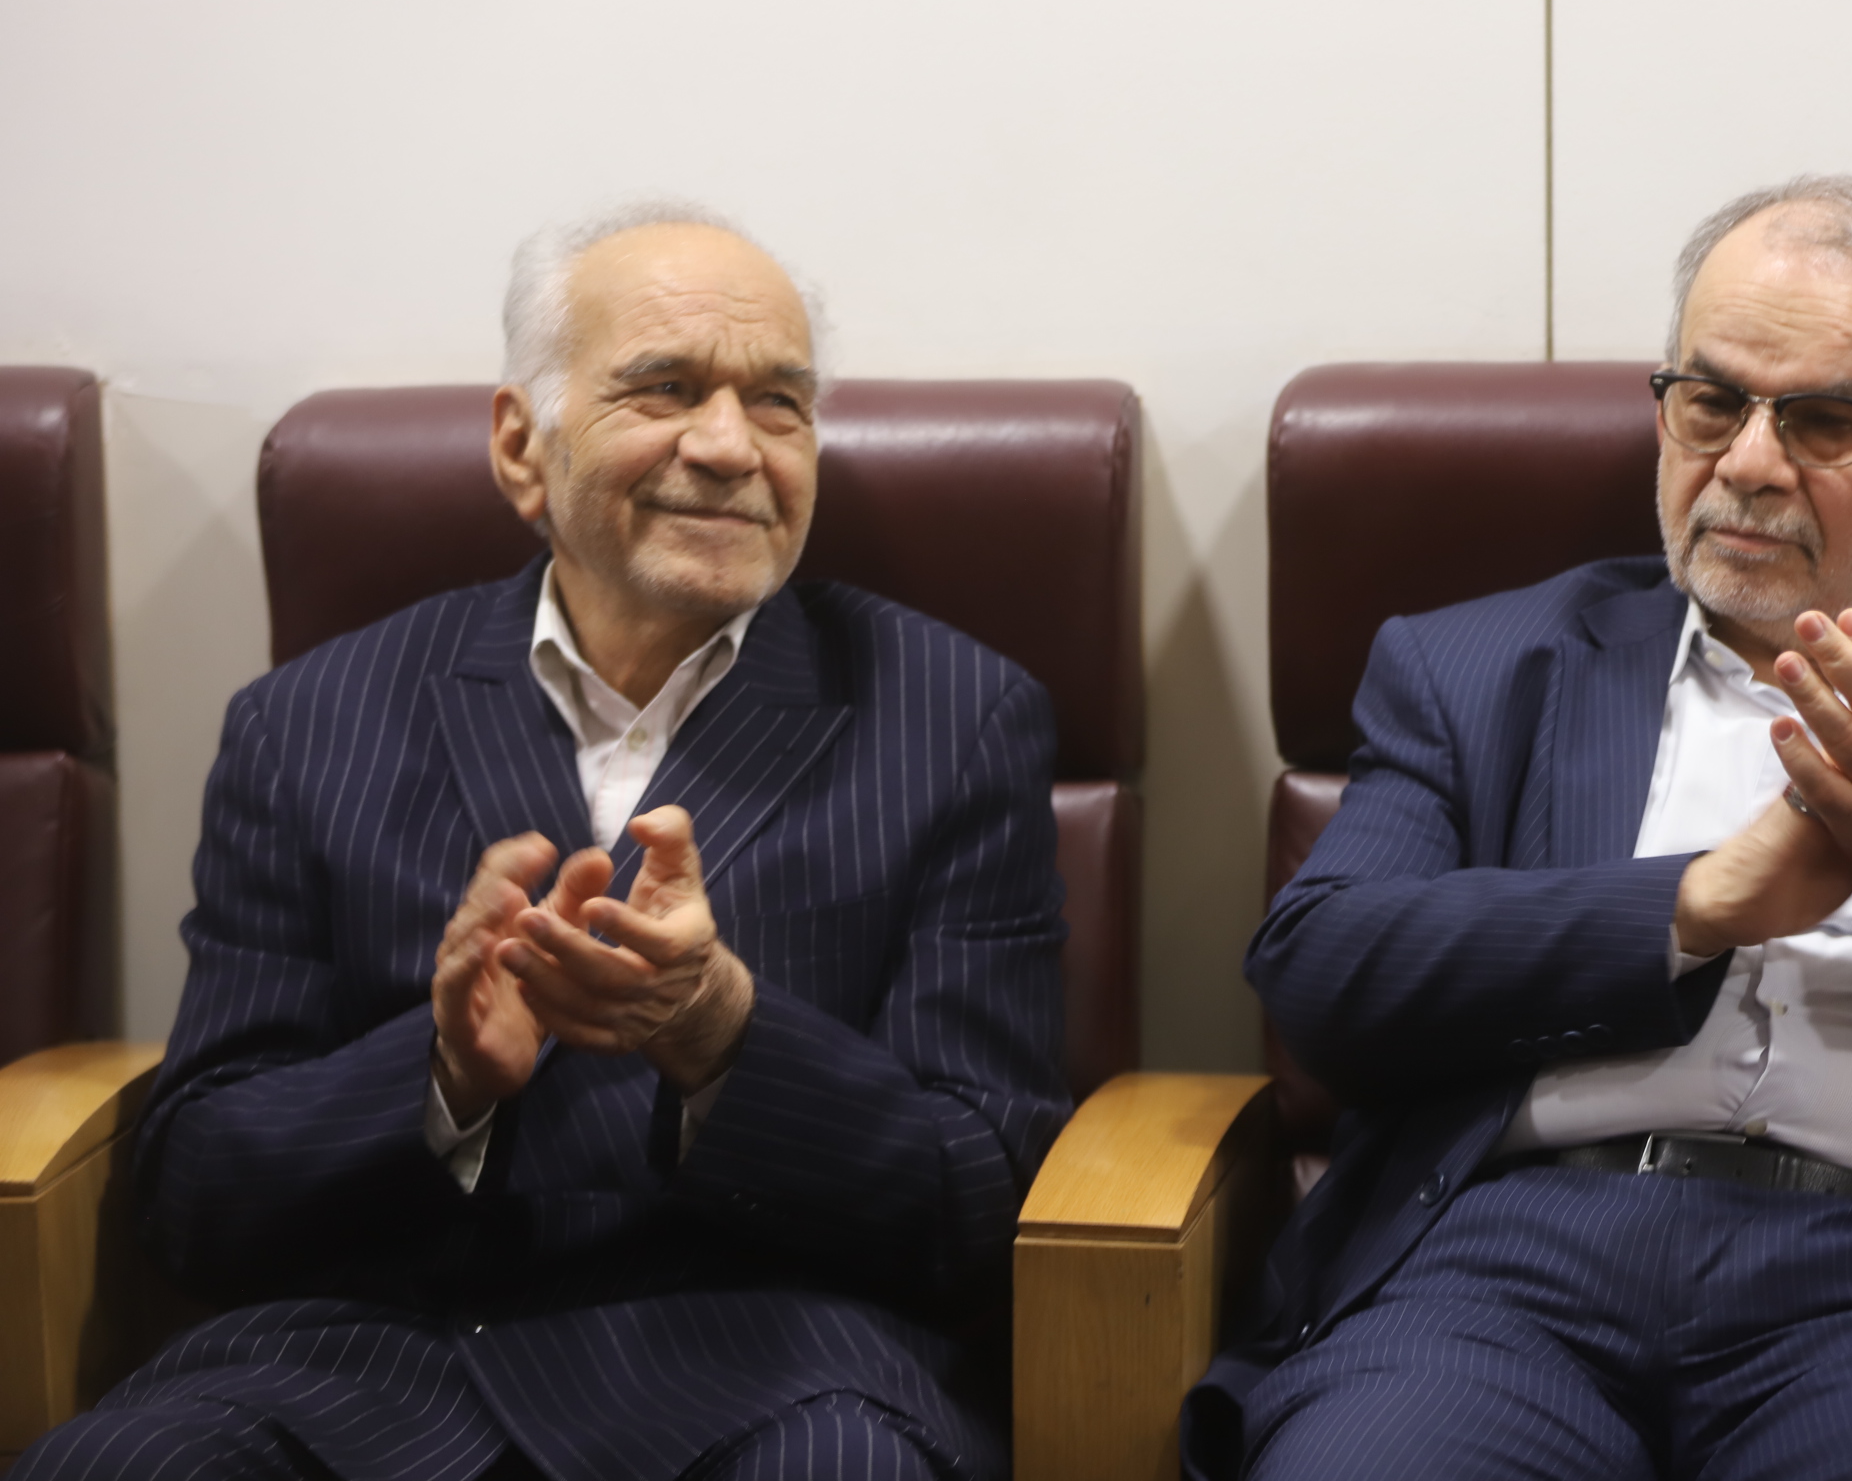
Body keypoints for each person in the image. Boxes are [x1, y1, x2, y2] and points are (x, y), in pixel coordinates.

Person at [1186, 175, 1852, 1481]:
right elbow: (1319, 975)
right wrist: (1696, 904)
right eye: (1711, 402)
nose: (1750, 464)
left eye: (1825, 420)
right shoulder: (1475, 668)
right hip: (1495, 1266)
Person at [19, 202, 1069, 1481]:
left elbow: (983, 1195)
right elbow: (195, 1196)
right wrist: (443, 1071)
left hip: (780, 1367)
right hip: (369, 1361)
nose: (730, 445)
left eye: (780, 403)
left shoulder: (955, 717)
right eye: (666, 388)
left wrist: (722, 1035)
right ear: (523, 444)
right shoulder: (307, 723)